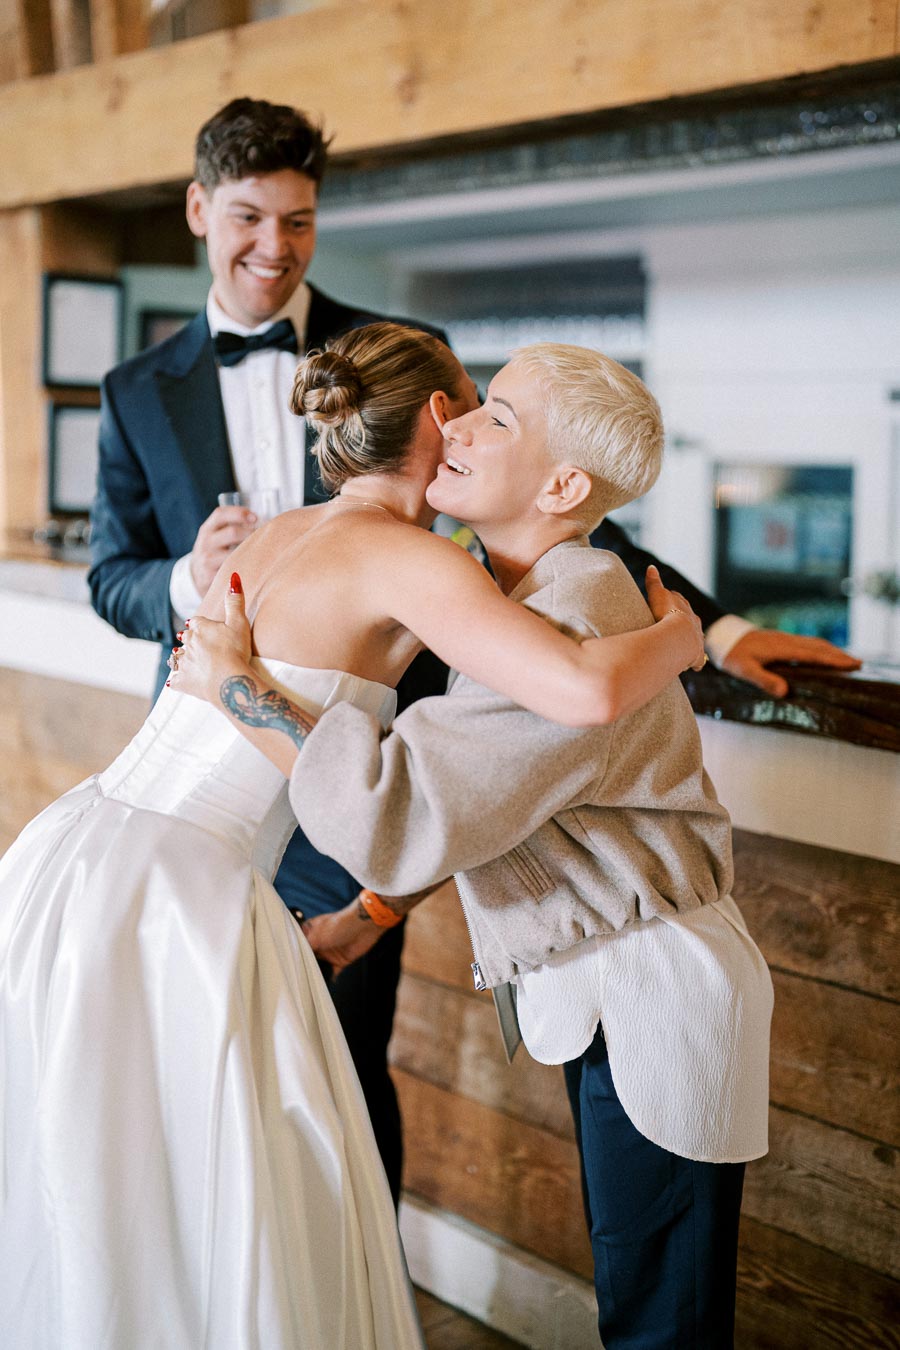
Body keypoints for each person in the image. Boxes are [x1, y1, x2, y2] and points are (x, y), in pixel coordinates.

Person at [88, 95, 856, 1200]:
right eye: (251, 218)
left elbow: (572, 519)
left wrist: (711, 627)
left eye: (299, 220)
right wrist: (188, 586)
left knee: (340, 1083)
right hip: (229, 789)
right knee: (190, 1109)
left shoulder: (398, 363)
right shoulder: (135, 392)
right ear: (202, 211)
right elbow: (113, 574)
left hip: (348, 799)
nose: (275, 246)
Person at [1, 324, 705, 1348]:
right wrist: (682, 639)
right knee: (210, 1187)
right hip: (188, 889)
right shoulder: (418, 565)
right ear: (436, 417)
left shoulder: (280, 530)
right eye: (472, 403)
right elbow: (581, 684)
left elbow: (560, 540)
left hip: (80, 849)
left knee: (97, 1175)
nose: (474, 425)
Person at [173, 339, 777, 1349]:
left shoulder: (576, 618)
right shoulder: (521, 609)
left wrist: (243, 687)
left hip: (657, 994)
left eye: (495, 415)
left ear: (565, 484)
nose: (453, 424)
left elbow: (395, 808)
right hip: (623, 987)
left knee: (660, 1325)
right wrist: (372, 919)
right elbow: (481, 799)